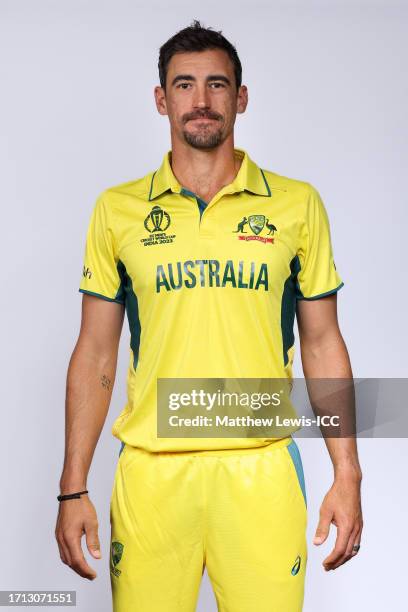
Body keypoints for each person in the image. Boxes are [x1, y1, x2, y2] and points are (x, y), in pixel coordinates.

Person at [55, 20, 363, 612]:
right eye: (185, 85)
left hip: (261, 471)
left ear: (241, 98)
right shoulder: (117, 211)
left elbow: (324, 344)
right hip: (152, 474)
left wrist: (346, 473)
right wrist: (73, 488)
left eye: (218, 85)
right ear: (161, 98)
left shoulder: (296, 205)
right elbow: (94, 353)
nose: (201, 101)